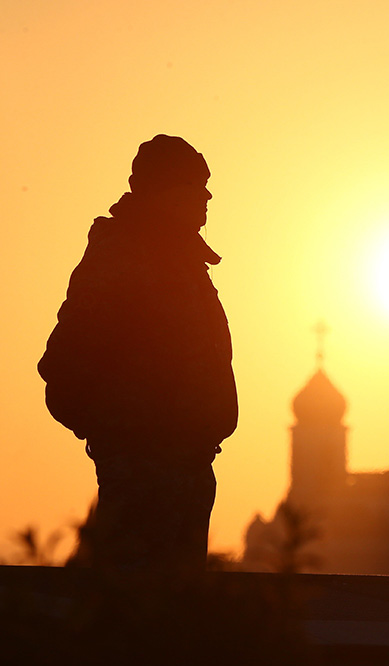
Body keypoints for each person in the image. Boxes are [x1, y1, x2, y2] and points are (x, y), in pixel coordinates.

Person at [39, 135, 237, 574]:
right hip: (142, 473)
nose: (206, 197)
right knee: (132, 604)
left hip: (187, 468)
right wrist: (122, 439)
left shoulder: (182, 261)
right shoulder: (121, 258)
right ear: (163, 191)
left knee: (174, 611)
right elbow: (64, 361)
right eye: (194, 185)